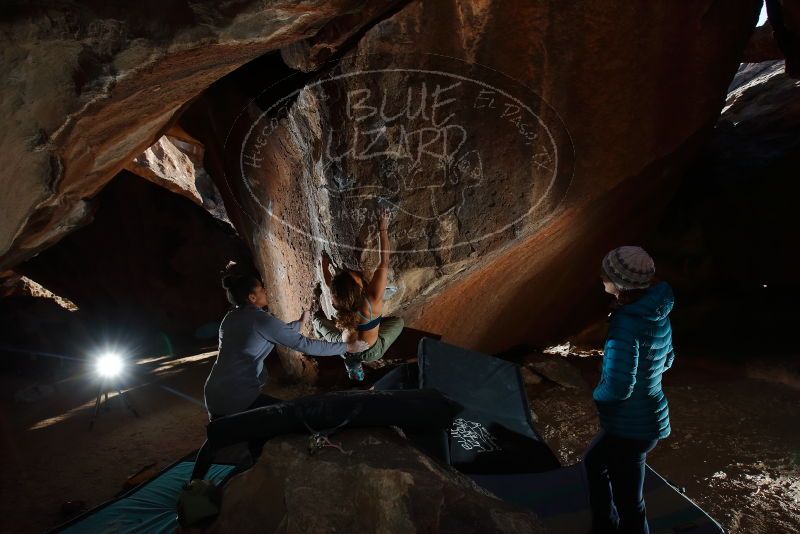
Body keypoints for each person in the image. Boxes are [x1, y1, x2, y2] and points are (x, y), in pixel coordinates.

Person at [583, 246, 675, 534]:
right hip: (646, 416)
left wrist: (597, 396)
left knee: (630, 505)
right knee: (595, 462)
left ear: (621, 281)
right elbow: (669, 357)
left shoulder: (626, 322)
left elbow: (619, 387)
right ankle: (604, 526)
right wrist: (649, 377)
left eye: (606, 273)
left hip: (631, 427)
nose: (601, 278)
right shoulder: (655, 311)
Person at [203, 262, 367, 420]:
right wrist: (347, 347)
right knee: (295, 419)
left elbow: (272, 333)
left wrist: (300, 323)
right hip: (236, 398)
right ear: (252, 297)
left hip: (214, 394)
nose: (265, 290)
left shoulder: (230, 318)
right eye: (261, 289)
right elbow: (306, 345)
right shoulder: (261, 320)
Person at [312, 208, 404, 380]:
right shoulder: (372, 301)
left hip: (343, 347)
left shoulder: (339, 301)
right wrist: (382, 228)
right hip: (370, 352)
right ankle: (356, 363)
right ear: (359, 288)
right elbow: (384, 261)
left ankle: (352, 365)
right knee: (398, 322)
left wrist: (323, 266)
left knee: (316, 320)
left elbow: (328, 283)